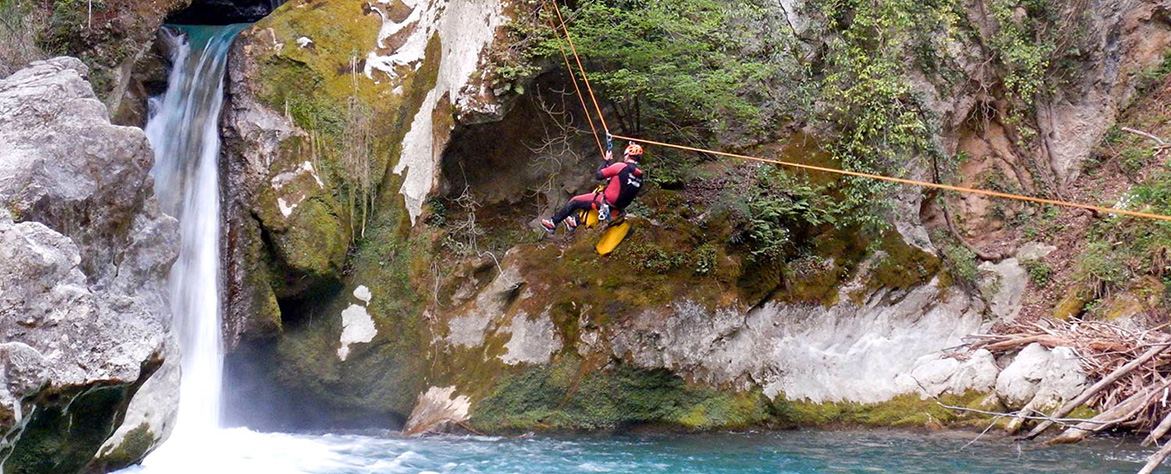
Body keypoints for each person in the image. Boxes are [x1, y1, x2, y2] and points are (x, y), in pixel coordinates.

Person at [542, 142, 645, 233]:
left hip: (606, 203)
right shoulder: (640, 177)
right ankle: (575, 221)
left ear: (627, 155)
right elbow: (621, 187)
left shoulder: (620, 167)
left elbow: (598, 175)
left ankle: (553, 223)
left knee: (575, 201)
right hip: (617, 209)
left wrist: (606, 161)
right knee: (590, 199)